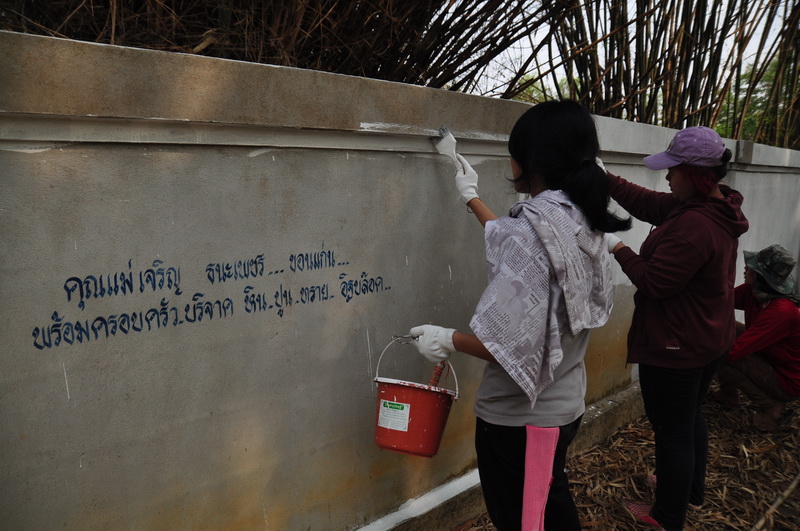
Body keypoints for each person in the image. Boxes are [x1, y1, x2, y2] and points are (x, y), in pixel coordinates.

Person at [409, 99, 631, 530]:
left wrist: (447, 339)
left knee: (529, 521)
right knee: (546, 508)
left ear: (529, 161)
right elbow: (520, 243)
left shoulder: (536, 228)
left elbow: (506, 344)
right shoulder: (580, 217)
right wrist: (471, 197)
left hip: (522, 422)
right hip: (562, 406)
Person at [603, 126, 749, 530]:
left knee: (672, 432)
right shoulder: (711, 206)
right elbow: (650, 204)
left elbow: (655, 282)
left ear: (695, 174)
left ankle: (667, 516)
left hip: (677, 346)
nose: (667, 176)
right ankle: (688, 490)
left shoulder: (696, 225)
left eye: (673, 169)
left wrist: (617, 247)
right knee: (688, 419)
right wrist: (604, 178)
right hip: (707, 337)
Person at [715, 244, 800, 431]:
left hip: (787, 381)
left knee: (722, 354)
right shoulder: (754, 292)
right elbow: (721, 301)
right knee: (726, 329)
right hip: (770, 361)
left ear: (761, 277)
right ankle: (728, 395)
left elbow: (734, 352)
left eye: (751, 267)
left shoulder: (781, 311)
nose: (746, 268)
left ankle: (771, 407)